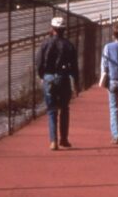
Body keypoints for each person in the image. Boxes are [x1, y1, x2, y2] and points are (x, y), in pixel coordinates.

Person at [36, 16, 80, 151]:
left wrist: (42, 75)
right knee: (64, 109)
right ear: (63, 30)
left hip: (49, 77)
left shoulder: (45, 44)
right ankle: (64, 139)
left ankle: (53, 140)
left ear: (52, 29)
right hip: (63, 77)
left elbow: (39, 62)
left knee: (51, 110)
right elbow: (74, 66)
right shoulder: (68, 45)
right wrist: (76, 83)